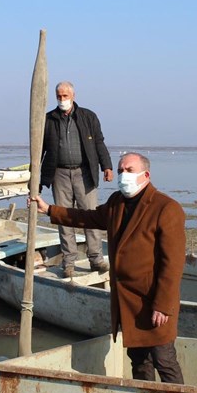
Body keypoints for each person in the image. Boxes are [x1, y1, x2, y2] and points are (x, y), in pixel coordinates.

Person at [31, 152, 186, 384]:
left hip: (153, 300)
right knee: (139, 360)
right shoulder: (117, 203)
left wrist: (163, 306)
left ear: (146, 175)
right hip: (128, 301)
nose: (124, 175)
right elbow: (87, 218)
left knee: (164, 359)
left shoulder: (166, 208)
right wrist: (50, 210)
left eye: (130, 170)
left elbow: (172, 265)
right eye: (121, 170)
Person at [40, 81, 114, 279]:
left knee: (91, 216)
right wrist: (35, 178)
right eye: (59, 96)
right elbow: (39, 149)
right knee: (64, 218)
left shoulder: (88, 116)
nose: (62, 99)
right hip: (59, 174)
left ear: (73, 95)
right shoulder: (48, 119)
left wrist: (106, 166)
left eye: (65, 96)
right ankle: (69, 262)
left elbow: (99, 142)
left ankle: (96, 259)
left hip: (85, 173)